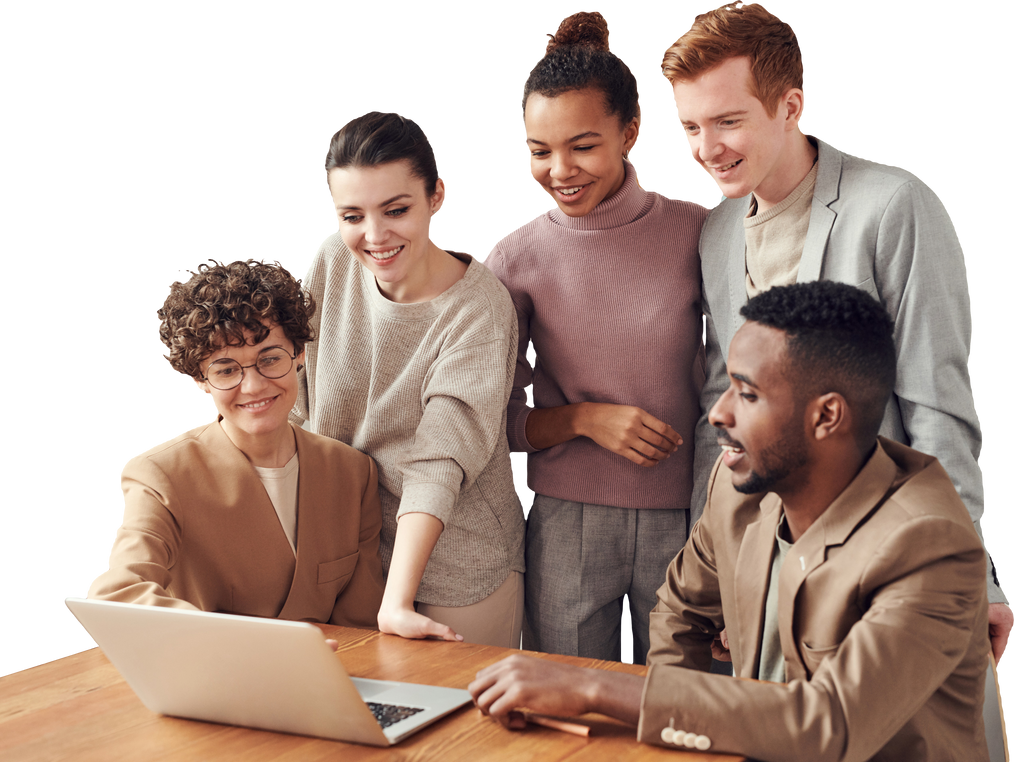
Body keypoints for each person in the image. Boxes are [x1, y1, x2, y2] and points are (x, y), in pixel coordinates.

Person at [470, 281, 990, 762]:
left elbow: (831, 724)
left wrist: (595, 687)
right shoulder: (739, 488)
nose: (717, 413)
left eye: (747, 393)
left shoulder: (930, 544)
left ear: (826, 416)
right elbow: (679, 611)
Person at [660, 0, 1013, 660]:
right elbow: (725, 417)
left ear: (790, 108)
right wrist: (720, 582)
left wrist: (974, 578)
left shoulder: (890, 209)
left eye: (726, 121)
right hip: (768, 557)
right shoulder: (715, 233)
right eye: (687, 127)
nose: (704, 148)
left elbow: (938, 407)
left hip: (886, 549)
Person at [483, 10, 708, 662]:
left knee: (688, 705)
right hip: (563, 521)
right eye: (537, 150)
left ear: (628, 133)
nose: (560, 169)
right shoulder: (512, 260)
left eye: (582, 145)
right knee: (570, 714)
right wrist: (582, 419)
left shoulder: (701, 236)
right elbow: (495, 420)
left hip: (688, 516)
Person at [291, 109, 525, 648]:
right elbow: (296, 397)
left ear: (436, 196)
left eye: (396, 210)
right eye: (352, 216)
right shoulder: (332, 262)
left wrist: (396, 598)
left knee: (463, 726)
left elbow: (441, 455)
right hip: (350, 548)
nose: (374, 236)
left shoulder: (479, 307)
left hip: (457, 561)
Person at [87, 258, 384, 628]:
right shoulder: (159, 474)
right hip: (213, 680)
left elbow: (362, 623)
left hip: (337, 678)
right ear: (200, 377)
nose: (254, 386)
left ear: (299, 353)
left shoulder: (354, 473)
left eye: (270, 359)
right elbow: (119, 594)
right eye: (227, 369)